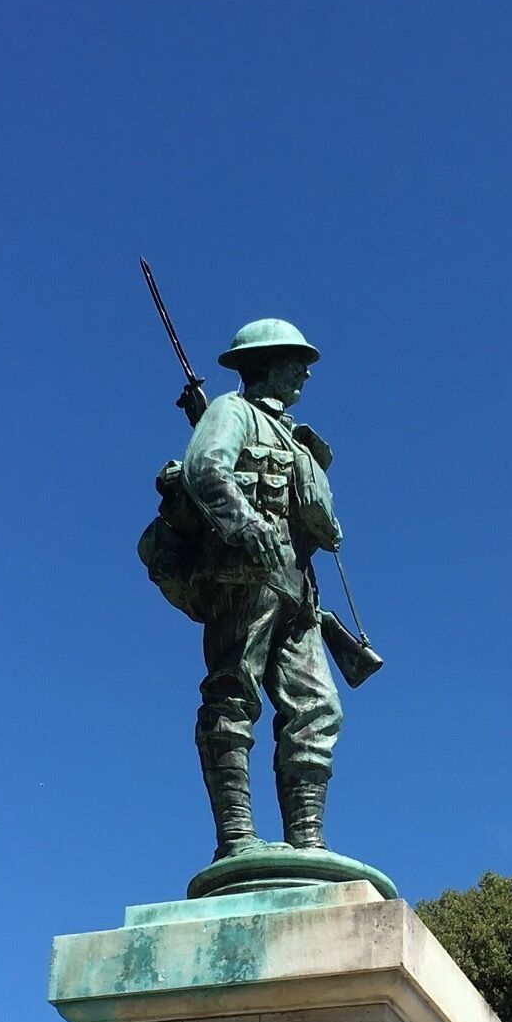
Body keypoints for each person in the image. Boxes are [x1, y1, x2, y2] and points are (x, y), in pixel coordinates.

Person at [164, 318, 344, 857]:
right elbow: (205, 468)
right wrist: (244, 524)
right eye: (295, 362)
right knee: (232, 693)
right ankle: (236, 837)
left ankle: (307, 840)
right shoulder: (231, 411)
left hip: (297, 591)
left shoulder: (297, 438)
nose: (305, 373)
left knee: (318, 707)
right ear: (263, 364)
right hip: (244, 574)